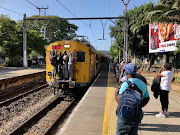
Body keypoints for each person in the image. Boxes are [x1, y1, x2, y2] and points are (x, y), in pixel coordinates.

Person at [115, 63, 150, 135]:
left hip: (124, 115)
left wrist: (116, 93)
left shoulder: (125, 84)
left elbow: (118, 100)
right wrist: (137, 105)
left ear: (126, 72)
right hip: (136, 115)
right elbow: (147, 98)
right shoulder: (142, 84)